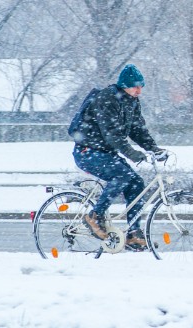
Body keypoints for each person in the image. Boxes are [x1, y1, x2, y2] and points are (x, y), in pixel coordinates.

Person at [70, 63, 166, 250]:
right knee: (122, 175)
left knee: (136, 182)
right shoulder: (107, 99)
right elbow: (112, 135)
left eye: (141, 86)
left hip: (106, 153)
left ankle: (133, 233)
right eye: (135, 86)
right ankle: (94, 216)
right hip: (88, 151)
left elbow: (138, 130)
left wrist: (154, 149)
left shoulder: (132, 101)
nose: (139, 90)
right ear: (124, 85)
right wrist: (132, 153)